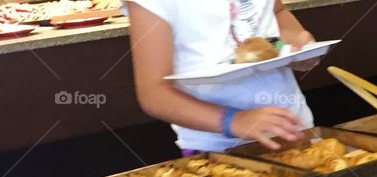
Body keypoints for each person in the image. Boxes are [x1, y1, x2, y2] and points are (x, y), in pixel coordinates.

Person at [124, 0, 320, 153]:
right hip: (216, 149)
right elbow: (154, 94)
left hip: (296, 129)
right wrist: (235, 121)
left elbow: (276, 14)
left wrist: (296, 45)